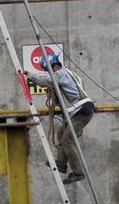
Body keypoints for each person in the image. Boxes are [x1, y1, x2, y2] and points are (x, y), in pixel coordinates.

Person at [24, 53, 95, 185]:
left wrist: (28, 75)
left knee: (67, 140)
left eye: (48, 70)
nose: (49, 73)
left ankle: (78, 172)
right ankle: (61, 163)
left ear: (52, 66)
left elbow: (45, 80)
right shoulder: (70, 73)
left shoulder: (61, 74)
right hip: (80, 110)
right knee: (60, 133)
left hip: (82, 112)